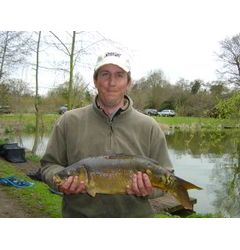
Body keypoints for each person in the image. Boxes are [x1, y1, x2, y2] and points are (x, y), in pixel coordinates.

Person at [40, 51, 173, 218]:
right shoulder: (68, 121)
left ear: (128, 82)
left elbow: (167, 175)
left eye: (119, 75)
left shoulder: (149, 126)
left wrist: (149, 189)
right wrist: (59, 182)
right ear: (95, 80)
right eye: (105, 74)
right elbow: (49, 166)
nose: (112, 82)